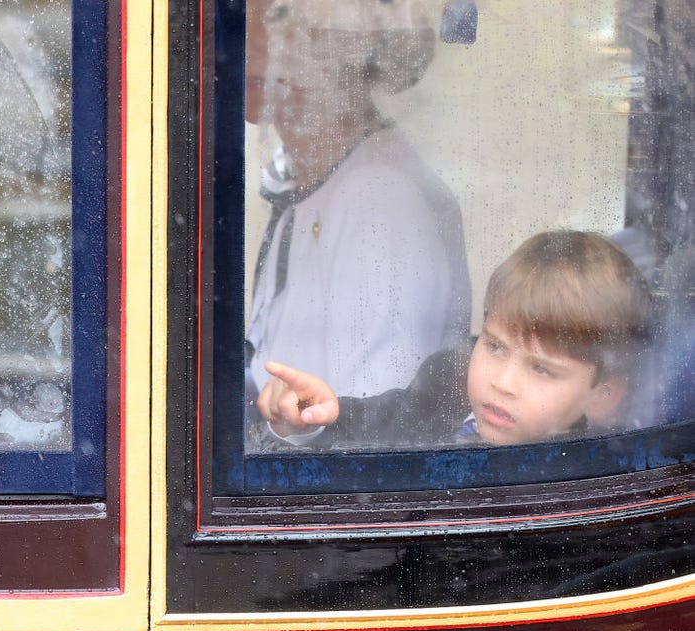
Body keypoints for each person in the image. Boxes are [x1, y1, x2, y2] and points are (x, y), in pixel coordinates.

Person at [244, 0, 472, 406]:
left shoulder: (379, 203)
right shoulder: (304, 177)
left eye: (277, 13)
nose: (241, 29)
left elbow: (369, 432)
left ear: (336, 49)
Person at [256, 231, 652, 449]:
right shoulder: (444, 385)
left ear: (603, 395)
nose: (503, 382)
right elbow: (372, 428)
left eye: (543, 369)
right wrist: (308, 419)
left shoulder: (579, 473)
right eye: (495, 346)